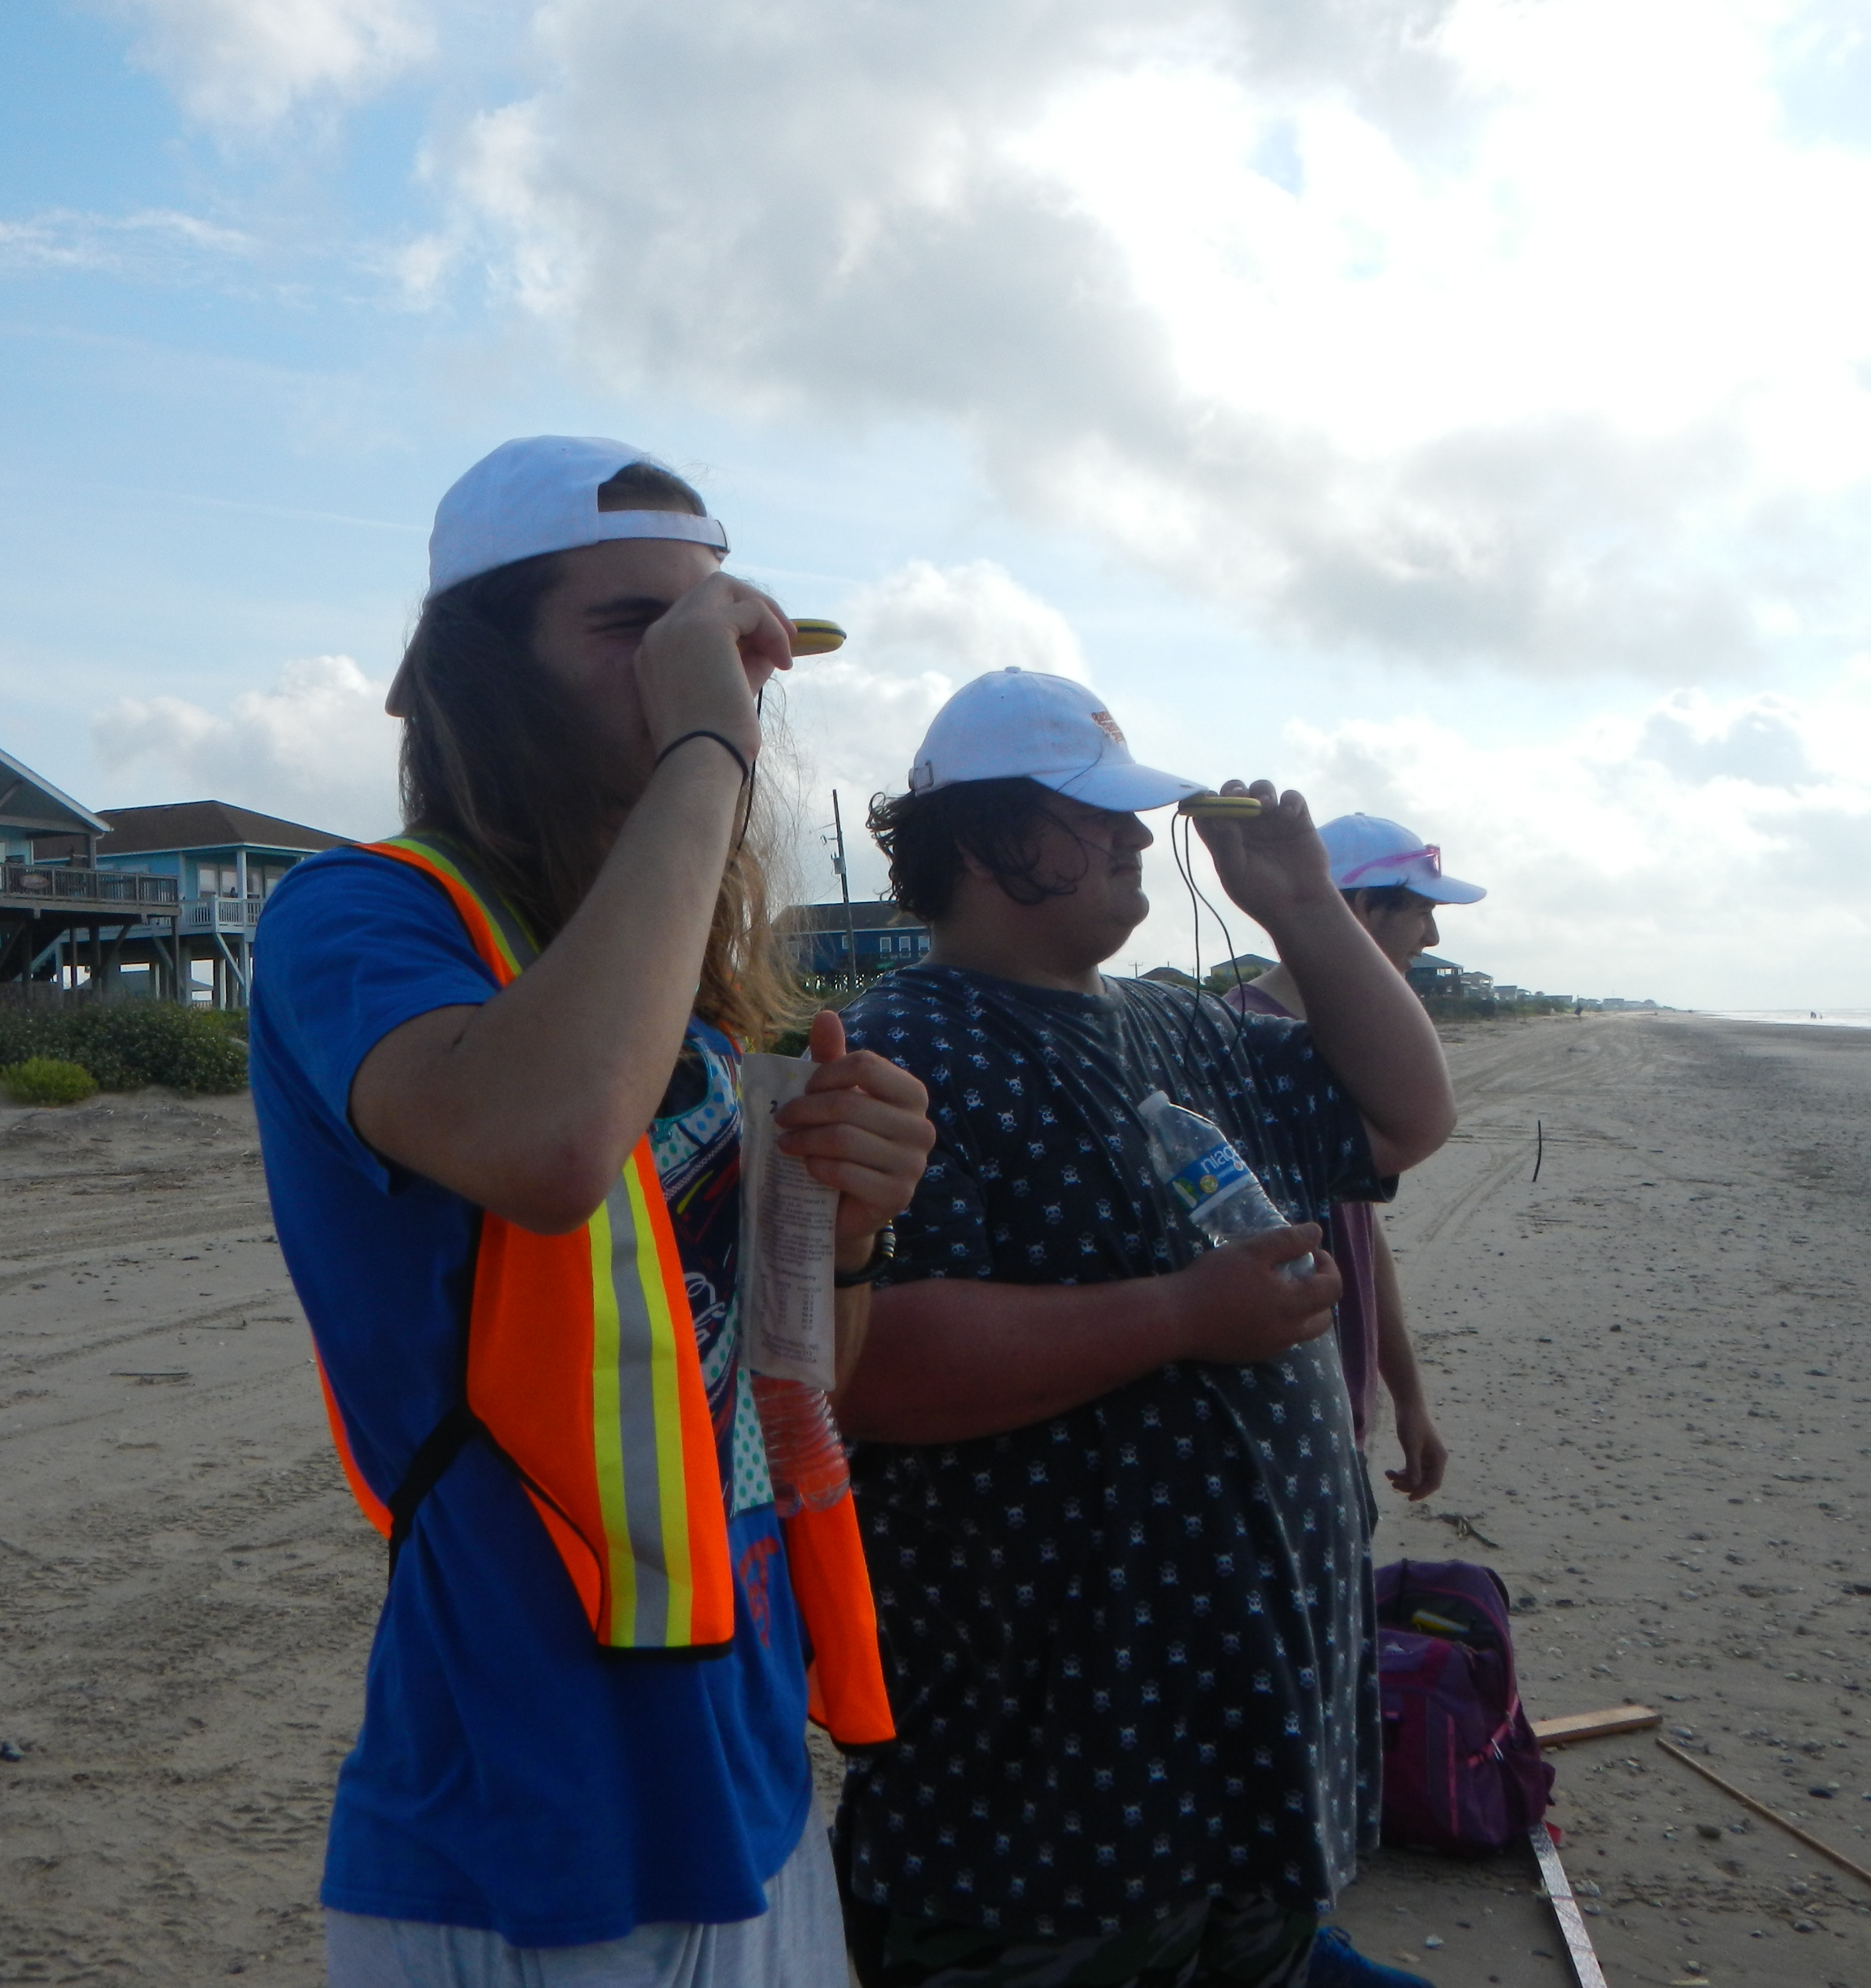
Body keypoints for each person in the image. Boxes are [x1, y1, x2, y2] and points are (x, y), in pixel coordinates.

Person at [249, 435, 937, 1987]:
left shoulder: (673, 1004)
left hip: (748, 1779)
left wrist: (850, 1221)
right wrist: (708, 749)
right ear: (480, 675)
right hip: (526, 1838)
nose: (697, 668)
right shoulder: (363, 921)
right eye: (632, 629)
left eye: (712, 635)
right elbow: (552, 1140)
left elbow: (783, 1390)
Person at [830, 667, 1458, 1988]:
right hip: (1049, 1802)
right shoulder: (898, 1050)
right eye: (1095, 815)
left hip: (1247, 1750)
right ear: (993, 837)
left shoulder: (1182, 1026)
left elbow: (1402, 1119)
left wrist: (1296, 906)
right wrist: (1183, 1315)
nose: (1132, 838)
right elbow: (872, 1368)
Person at [1223, 814, 1486, 1506]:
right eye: (1421, 912)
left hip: (1342, 1401)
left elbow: (1363, 1233)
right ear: (1366, 908)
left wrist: (1408, 1397)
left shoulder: (1353, 1047)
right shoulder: (1244, 1041)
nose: (1431, 938)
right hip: (1278, 1415)